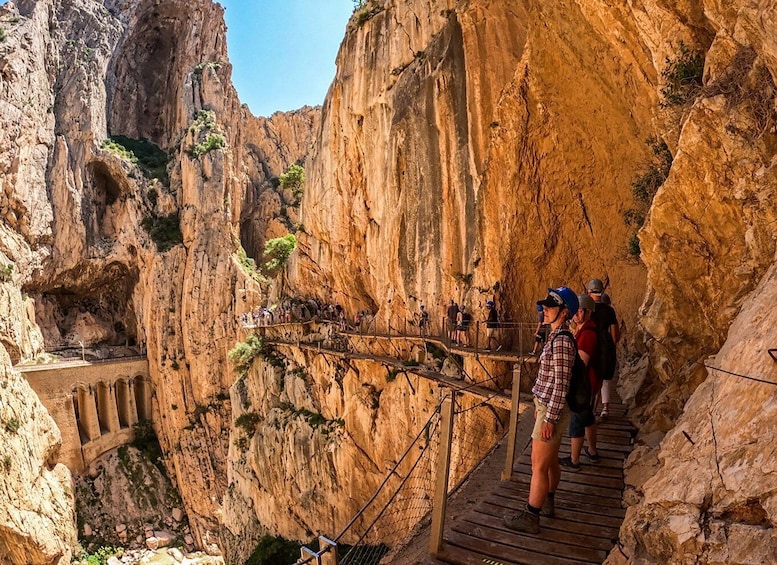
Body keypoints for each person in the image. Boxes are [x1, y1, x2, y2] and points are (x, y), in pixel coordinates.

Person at [504, 286, 578, 534]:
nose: (544, 310)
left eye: (550, 307)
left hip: (552, 410)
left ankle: (531, 516)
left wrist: (550, 418)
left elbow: (561, 384)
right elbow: (551, 381)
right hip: (546, 406)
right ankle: (547, 501)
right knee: (549, 461)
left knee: (538, 465)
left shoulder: (562, 342)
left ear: (564, 312)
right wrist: (539, 405)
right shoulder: (556, 337)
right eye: (544, 307)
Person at [559, 294, 601, 472]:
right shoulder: (586, 330)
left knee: (577, 421)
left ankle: (574, 460)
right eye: (576, 310)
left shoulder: (588, 334)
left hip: (584, 385)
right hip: (591, 383)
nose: (576, 314)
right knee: (588, 418)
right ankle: (592, 451)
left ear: (588, 312)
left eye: (580, 311)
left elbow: (581, 363)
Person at [588, 278, 619, 418]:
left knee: (593, 377)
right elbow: (614, 334)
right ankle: (605, 407)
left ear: (589, 292)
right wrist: (612, 347)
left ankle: (592, 409)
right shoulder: (609, 310)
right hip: (606, 344)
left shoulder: (588, 311)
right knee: (605, 378)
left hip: (593, 344)